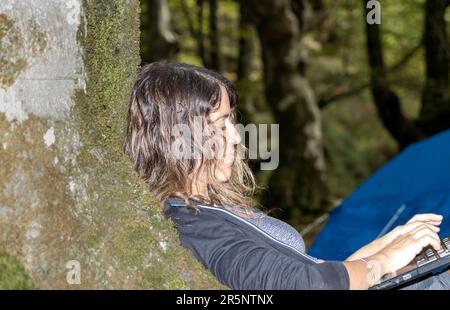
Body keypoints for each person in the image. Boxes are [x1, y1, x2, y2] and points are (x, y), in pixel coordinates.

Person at [123, 62, 450, 290]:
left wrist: (383, 248)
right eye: (220, 124)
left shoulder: (204, 211)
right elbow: (302, 286)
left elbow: (314, 275)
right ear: (179, 137)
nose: (236, 137)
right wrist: (384, 261)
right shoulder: (192, 224)